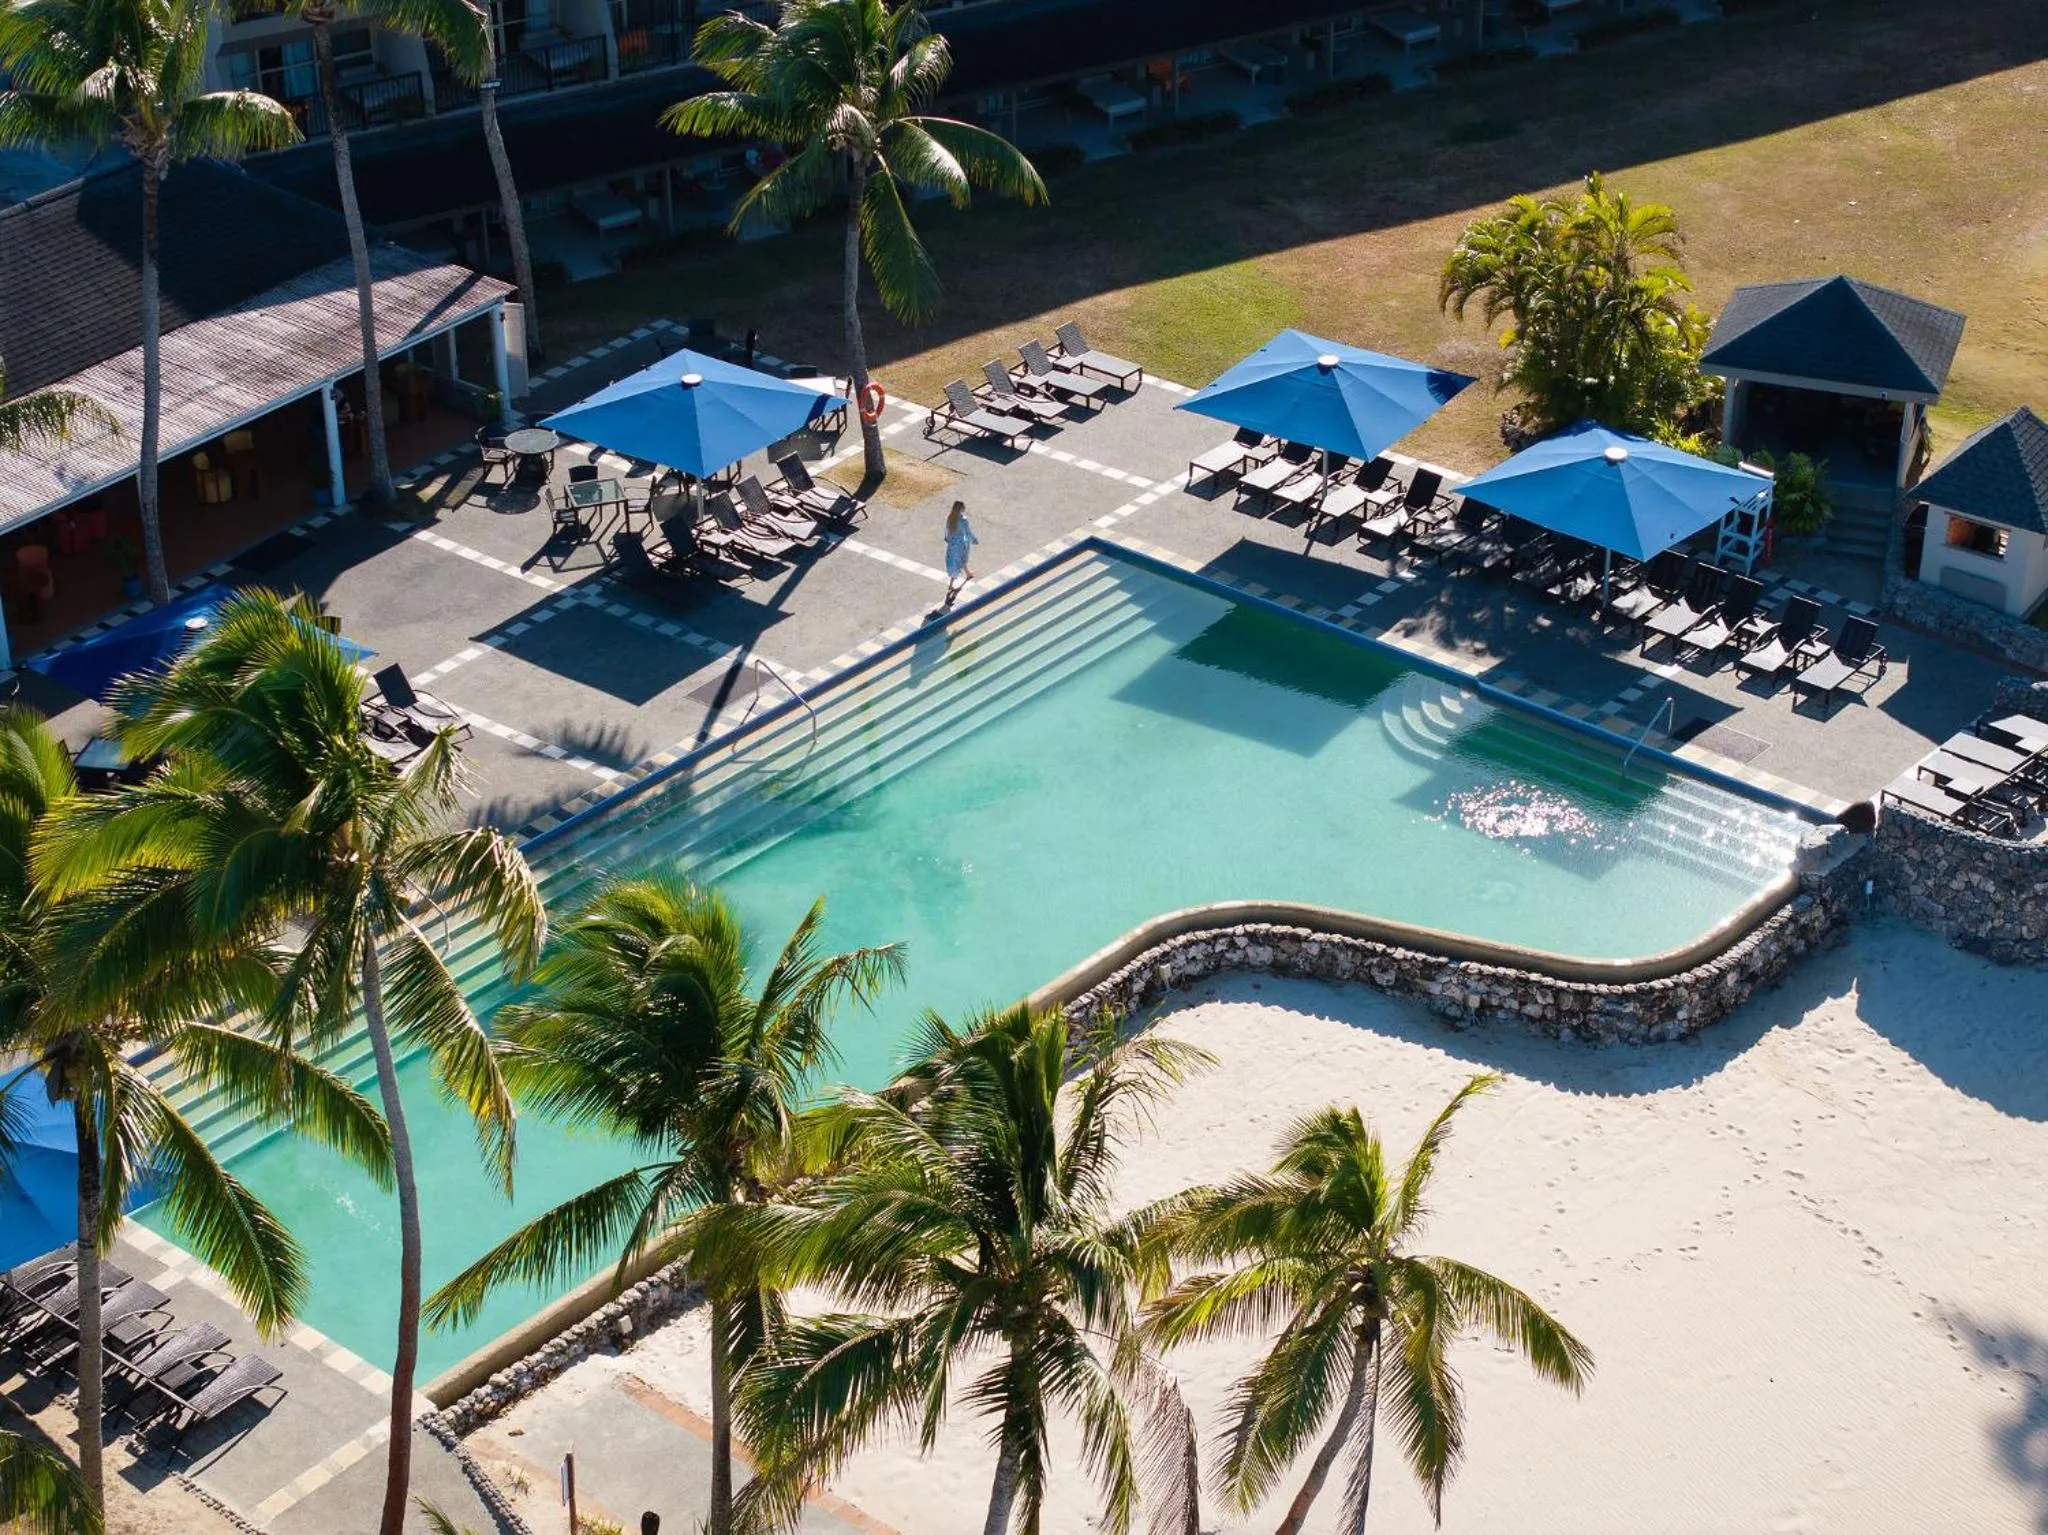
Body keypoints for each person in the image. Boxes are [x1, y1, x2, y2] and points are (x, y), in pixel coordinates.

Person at [940, 501, 978, 611]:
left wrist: (947, 539)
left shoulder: (950, 518)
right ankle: (951, 584)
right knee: (960, 560)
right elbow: (968, 532)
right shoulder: (963, 520)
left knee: (956, 561)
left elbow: (947, 531)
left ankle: (968, 573)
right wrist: (974, 540)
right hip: (961, 544)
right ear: (961, 509)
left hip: (952, 544)